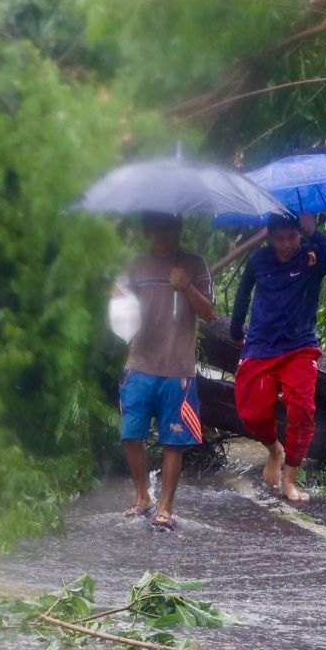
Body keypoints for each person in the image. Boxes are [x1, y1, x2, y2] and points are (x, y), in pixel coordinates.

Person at [230, 212, 326, 501]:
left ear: (299, 234)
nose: (286, 244)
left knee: (302, 410)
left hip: (299, 347)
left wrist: (314, 232)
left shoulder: (312, 256)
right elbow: (243, 295)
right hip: (260, 346)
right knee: (253, 412)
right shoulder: (259, 260)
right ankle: (275, 450)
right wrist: (235, 331)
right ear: (270, 237)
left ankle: (291, 479)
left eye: (292, 237)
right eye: (280, 238)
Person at [115, 213, 215, 531]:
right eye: (159, 227)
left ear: (179, 229)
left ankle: (166, 507)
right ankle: (143, 496)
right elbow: (116, 301)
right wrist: (122, 303)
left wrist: (186, 286)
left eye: (171, 227)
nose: (165, 233)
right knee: (131, 433)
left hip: (178, 368)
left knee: (175, 440)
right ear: (148, 230)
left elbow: (210, 313)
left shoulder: (194, 264)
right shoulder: (135, 265)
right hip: (140, 363)